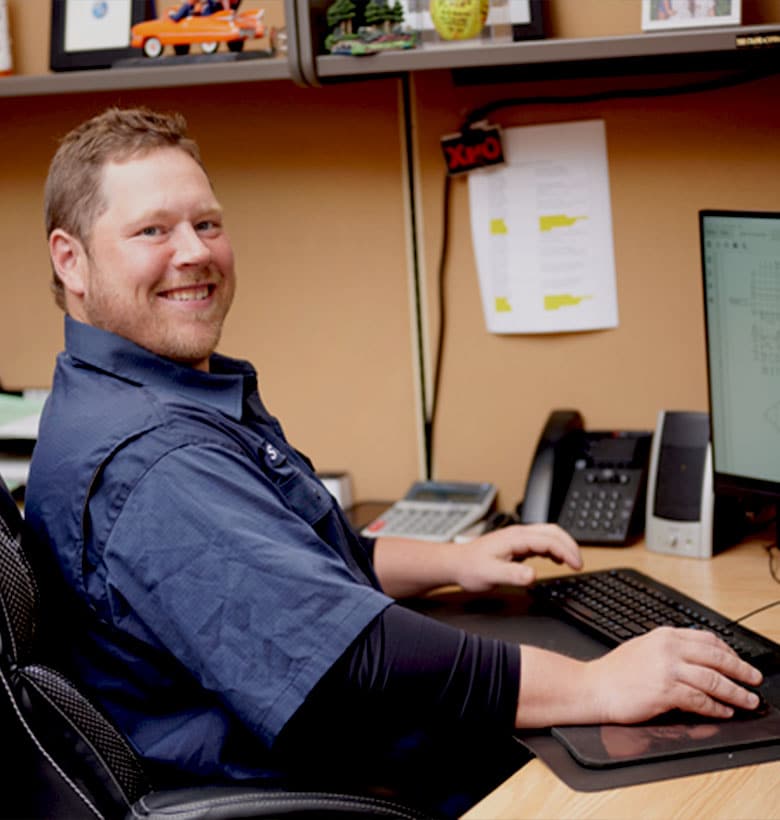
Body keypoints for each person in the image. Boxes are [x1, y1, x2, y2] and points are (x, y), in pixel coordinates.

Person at [26, 107, 764, 815]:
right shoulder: (157, 460)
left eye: (206, 222)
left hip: (351, 755)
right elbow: (353, 659)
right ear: (72, 259)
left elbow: (287, 576)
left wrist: (452, 559)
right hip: (347, 788)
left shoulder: (131, 393)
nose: (193, 251)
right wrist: (597, 686)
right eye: (152, 230)